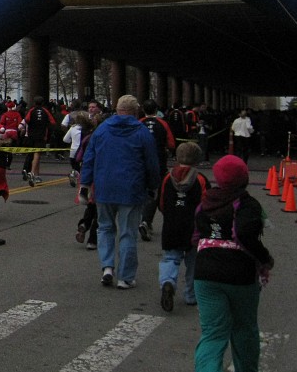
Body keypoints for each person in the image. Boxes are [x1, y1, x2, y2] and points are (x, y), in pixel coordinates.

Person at [189, 155, 273, 372]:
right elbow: (248, 235)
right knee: (244, 327)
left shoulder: (205, 202)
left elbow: (196, 234)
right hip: (239, 275)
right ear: (244, 178)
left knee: (213, 331)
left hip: (205, 274)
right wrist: (265, 259)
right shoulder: (247, 205)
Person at [79, 94, 160, 290]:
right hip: (131, 188)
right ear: (135, 111)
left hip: (104, 186)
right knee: (128, 233)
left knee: (105, 228)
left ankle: (107, 267)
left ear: (116, 109)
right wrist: (153, 186)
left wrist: (85, 184)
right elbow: (151, 163)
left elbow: (89, 158)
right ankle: (126, 277)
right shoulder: (142, 132)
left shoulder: (102, 130)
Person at [157, 143, 209, 312]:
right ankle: (191, 295)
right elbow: (206, 203)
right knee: (193, 262)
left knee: (170, 257)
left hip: (172, 223)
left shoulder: (168, 177)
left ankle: (167, 281)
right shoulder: (200, 179)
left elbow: (162, 202)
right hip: (193, 226)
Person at [138, 99, 176, 241]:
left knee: (144, 192)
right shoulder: (163, 123)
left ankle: (145, 220)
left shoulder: (138, 123)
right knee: (156, 192)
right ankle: (147, 221)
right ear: (156, 110)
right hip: (158, 162)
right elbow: (171, 143)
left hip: (139, 162)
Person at [22, 96, 56, 186]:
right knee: (37, 154)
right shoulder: (45, 111)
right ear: (43, 103)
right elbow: (52, 122)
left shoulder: (31, 110)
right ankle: (32, 174)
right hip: (41, 135)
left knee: (34, 154)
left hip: (31, 135)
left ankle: (37, 175)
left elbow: (26, 120)